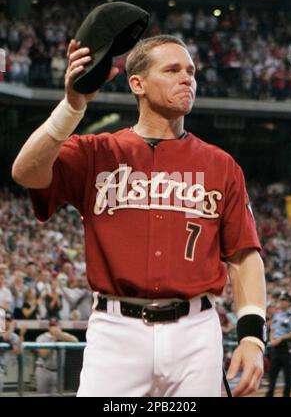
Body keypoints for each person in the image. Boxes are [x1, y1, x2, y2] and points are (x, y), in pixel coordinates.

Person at [12, 34, 266, 397]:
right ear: (137, 84)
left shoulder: (221, 165)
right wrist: (72, 106)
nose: (187, 79)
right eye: (173, 69)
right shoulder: (96, 152)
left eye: (191, 71)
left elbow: (244, 254)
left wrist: (253, 337)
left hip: (195, 331)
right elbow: (25, 172)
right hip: (116, 332)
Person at [266, 292, 291, 397]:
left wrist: (281, 338)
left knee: (288, 376)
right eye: (281, 300)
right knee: (272, 375)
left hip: (287, 347)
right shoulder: (277, 314)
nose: (281, 302)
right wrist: (272, 340)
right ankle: (269, 395)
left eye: (284, 300)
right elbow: (272, 329)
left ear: (289, 302)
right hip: (276, 347)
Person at [35, 319, 78, 394]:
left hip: (57, 372)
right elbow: (43, 354)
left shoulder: (63, 335)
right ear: (49, 328)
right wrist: (53, 338)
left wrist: (60, 335)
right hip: (43, 370)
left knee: (56, 395)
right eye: (52, 326)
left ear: (59, 327)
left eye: (56, 326)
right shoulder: (41, 338)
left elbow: (76, 341)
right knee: (42, 395)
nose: (54, 328)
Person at [0, 312, 26, 395]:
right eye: (5, 320)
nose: (7, 322)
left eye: (9, 320)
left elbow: (18, 352)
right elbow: (3, 337)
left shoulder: (13, 335)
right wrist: (11, 328)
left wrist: (21, 335)